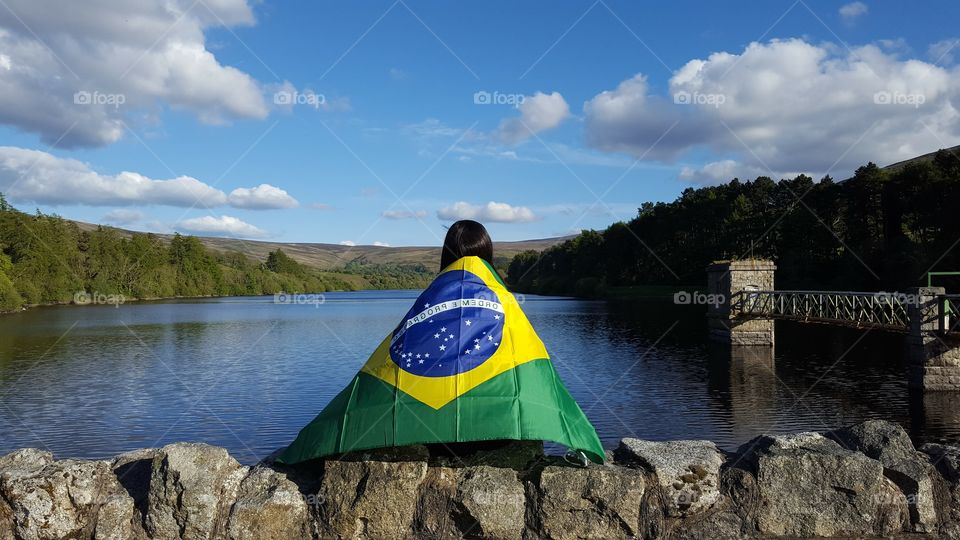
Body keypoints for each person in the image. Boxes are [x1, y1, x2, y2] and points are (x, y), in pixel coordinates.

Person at [276, 220, 604, 466]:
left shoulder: (432, 296)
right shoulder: (502, 296)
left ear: (446, 254)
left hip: (428, 438)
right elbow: (528, 363)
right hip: (496, 434)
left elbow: (397, 356)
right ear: (488, 252)